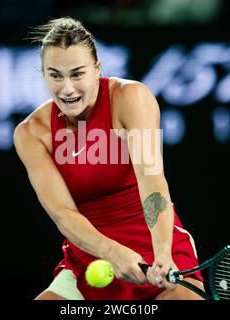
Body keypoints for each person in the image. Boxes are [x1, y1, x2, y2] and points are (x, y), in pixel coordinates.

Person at [13, 17, 204, 300]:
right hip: (90, 256)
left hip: (157, 248)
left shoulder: (131, 97)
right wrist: (110, 252)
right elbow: (63, 214)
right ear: (43, 74)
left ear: (97, 69)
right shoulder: (31, 133)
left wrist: (163, 251)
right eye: (55, 75)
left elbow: (152, 181)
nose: (67, 88)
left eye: (77, 74)